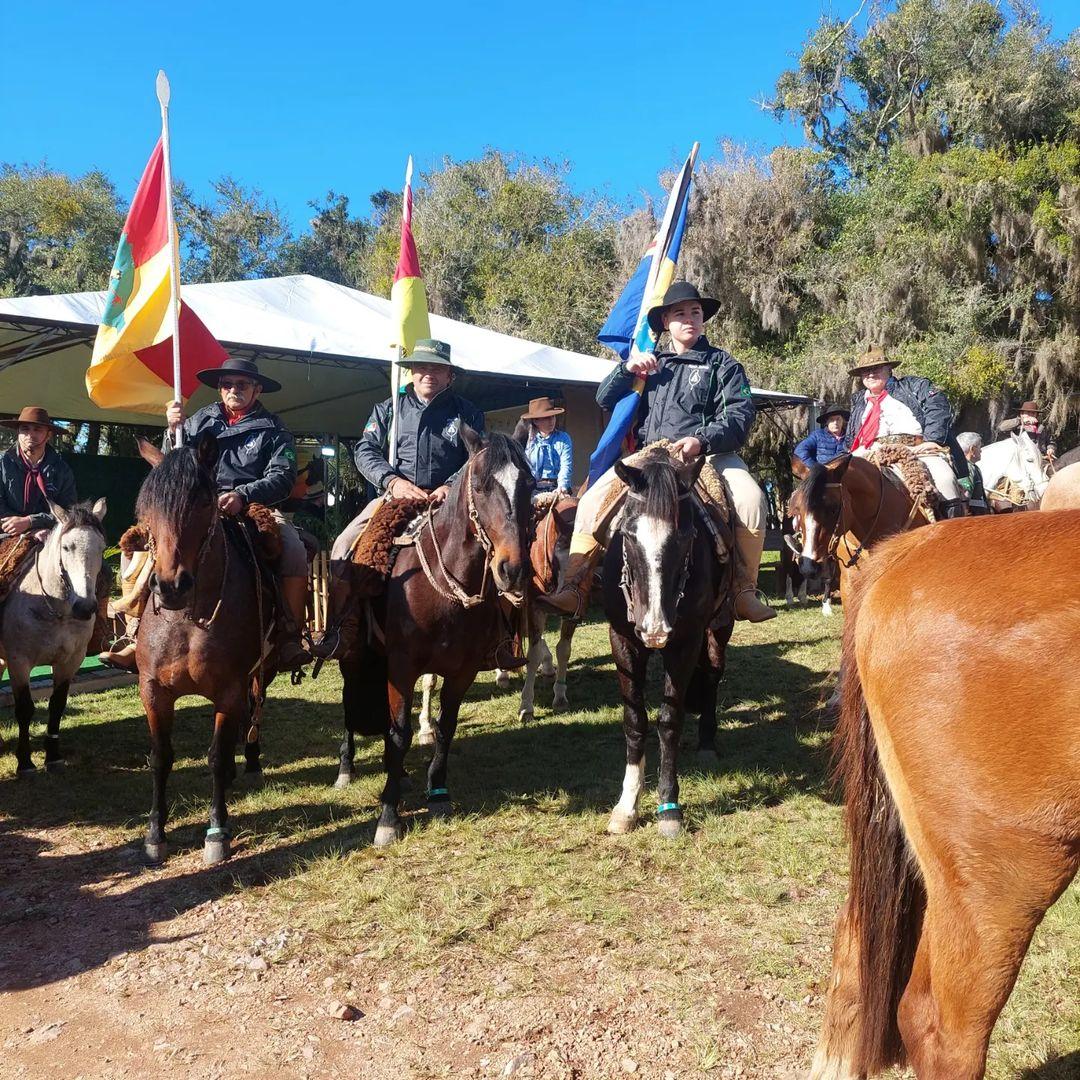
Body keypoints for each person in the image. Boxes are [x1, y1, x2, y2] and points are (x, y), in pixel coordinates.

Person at [541, 281, 775, 622]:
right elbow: (605, 399)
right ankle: (574, 586)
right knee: (591, 500)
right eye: (680, 314)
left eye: (695, 312)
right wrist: (626, 370)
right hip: (651, 455)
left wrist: (702, 440)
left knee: (752, 499)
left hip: (706, 455)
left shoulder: (722, 364)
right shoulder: (650, 364)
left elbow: (740, 413)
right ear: (665, 322)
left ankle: (743, 590)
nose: (689, 319)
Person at [101, 358, 309, 670]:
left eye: (242, 385)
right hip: (195, 505)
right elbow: (172, 467)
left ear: (257, 390)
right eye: (227, 384)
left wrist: (242, 494)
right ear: (220, 388)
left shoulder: (274, 429)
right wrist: (173, 432)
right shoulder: (198, 420)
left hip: (253, 507)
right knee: (143, 545)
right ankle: (133, 635)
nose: (233, 390)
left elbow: (282, 476)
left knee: (293, 550)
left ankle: (289, 637)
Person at [311, 338, 485, 659]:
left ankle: (497, 638)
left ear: (450, 376)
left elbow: (478, 456)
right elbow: (365, 451)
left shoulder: (468, 413)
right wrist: (392, 482)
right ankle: (344, 628)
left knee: (495, 549)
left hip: (450, 501)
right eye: (422, 366)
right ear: (411, 372)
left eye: (437, 368)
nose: (428, 373)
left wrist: (450, 484)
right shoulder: (389, 408)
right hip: (394, 499)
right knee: (343, 546)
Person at [844, 345, 967, 518]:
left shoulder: (914, 386)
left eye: (876, 368)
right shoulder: (859, 401)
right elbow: (851, 436)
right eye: (865, 371)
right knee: (838, 481)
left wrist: (932, 440)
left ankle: (951, 533)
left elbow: (937, 406)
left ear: (889, 369)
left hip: (916, 450)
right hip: (871, 451)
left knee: (945, 479)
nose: (870, 374)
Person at [0, 407, 76, 539]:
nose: (30, 434)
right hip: (4, 534)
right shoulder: (2, 463)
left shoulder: (61, 470)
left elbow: (68, 511)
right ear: (17, 432)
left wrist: (31, 522)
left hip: (47, 536)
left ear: (48, 435)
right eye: (25, 429)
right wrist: (21, 528)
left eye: (37, 429)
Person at [520, 397, 573, 492]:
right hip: (533, 488)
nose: (552, 421)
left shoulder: (563, 438)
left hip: (557, 486)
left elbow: (566, 465)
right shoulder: (527, 441)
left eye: (553, 417)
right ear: (536, 421)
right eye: (547, 418)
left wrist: (562, 486)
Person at [956, 432, 989, 514]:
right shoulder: (967, 468)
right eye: (979, 447)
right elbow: (966, 495)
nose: (981, 450)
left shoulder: (969, 467)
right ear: (972, 449)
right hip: (975, 519)